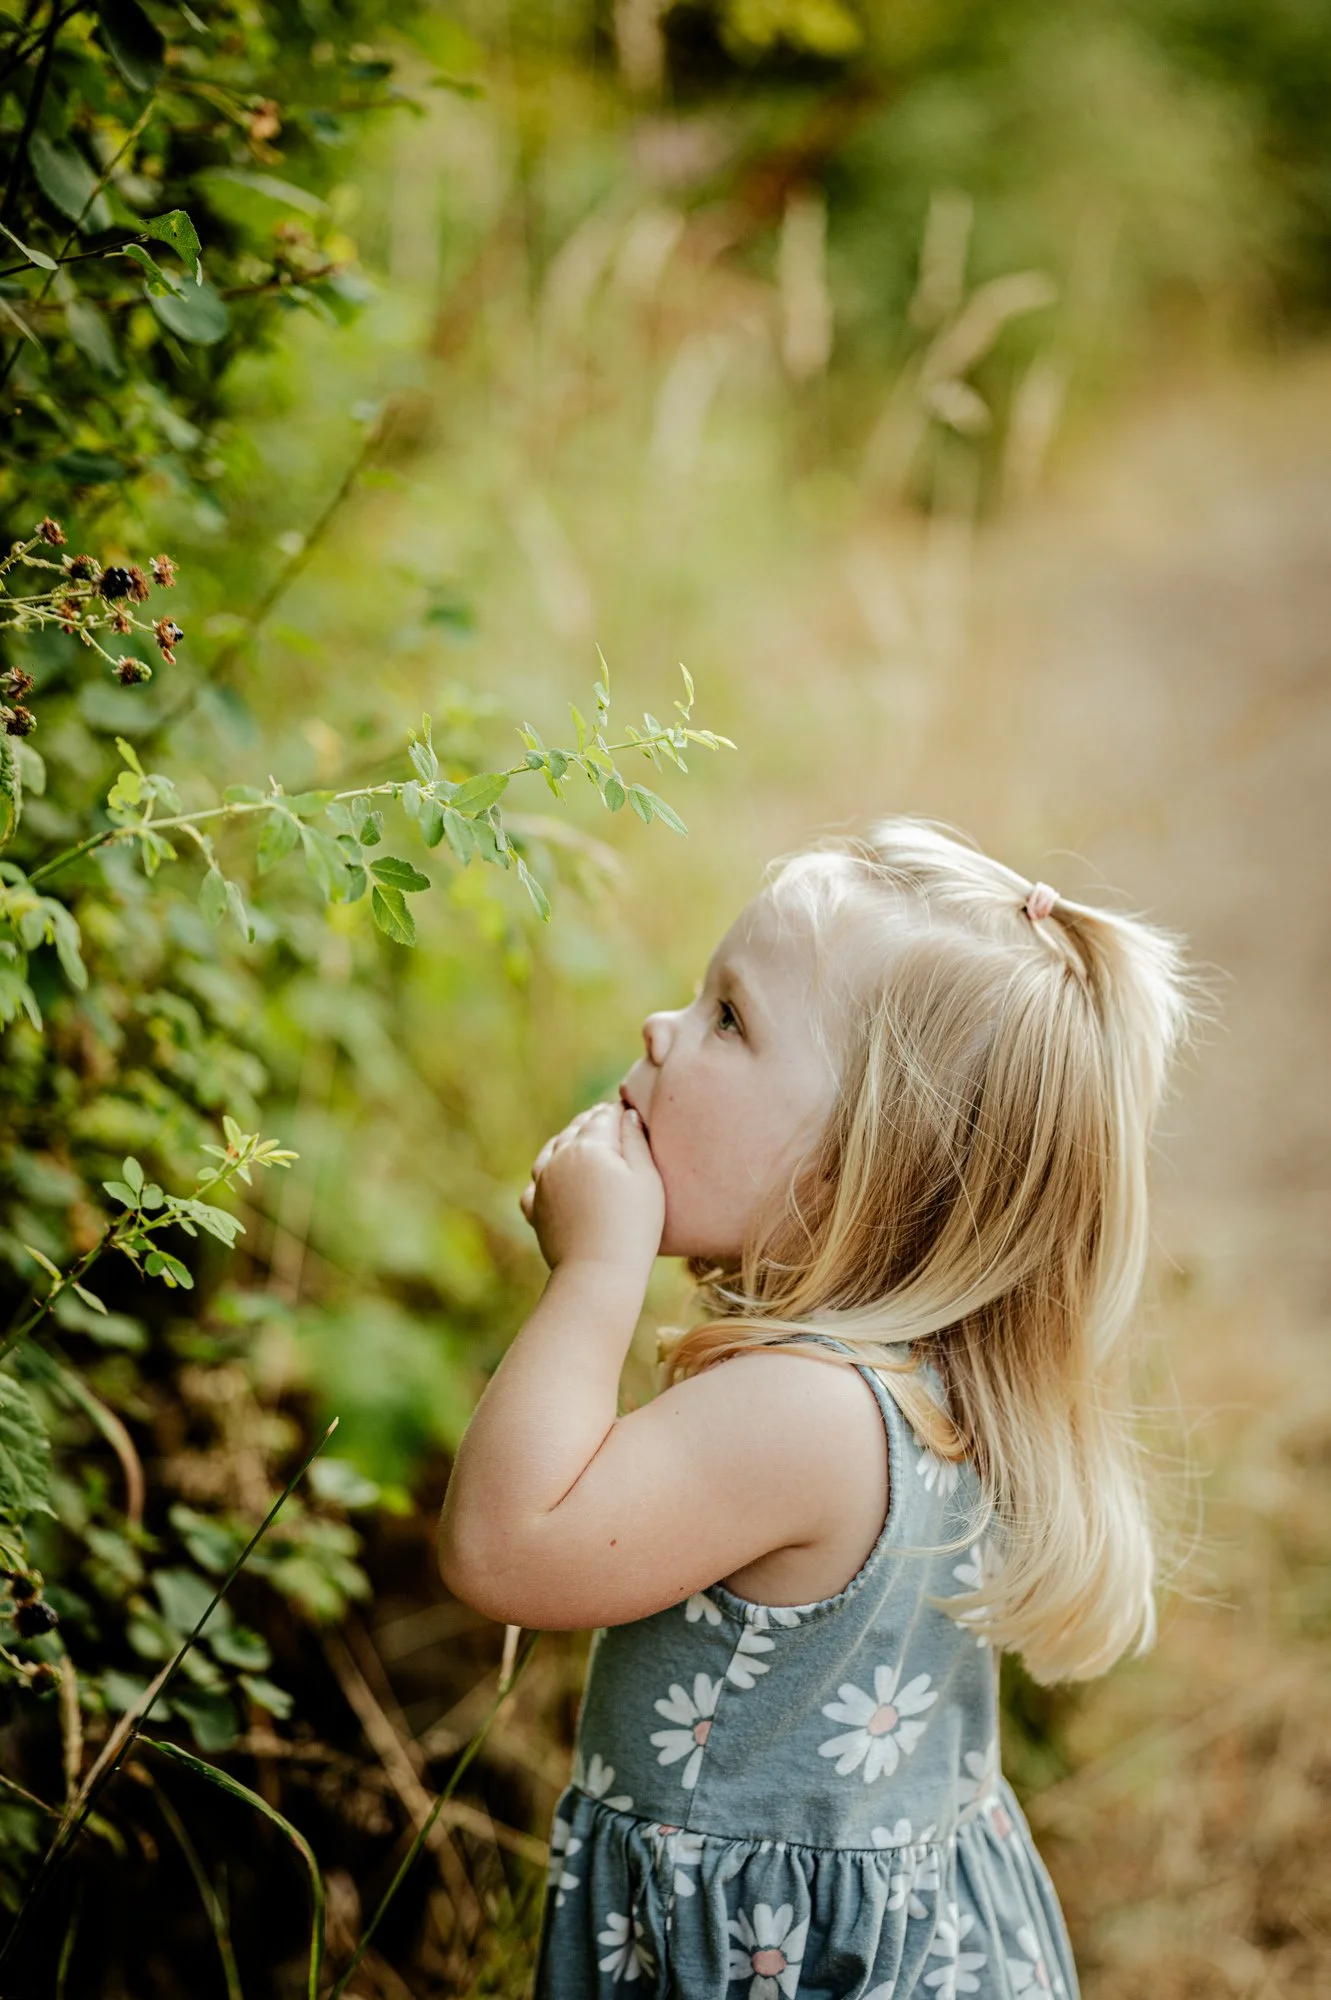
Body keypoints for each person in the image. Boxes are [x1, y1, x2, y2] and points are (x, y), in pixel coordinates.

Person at [437, 816, 1198, 1999]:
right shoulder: (928, 1373)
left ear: (851, 1166)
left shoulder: (807, 1410)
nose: (660, 1026)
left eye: (728, 1018)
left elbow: (504, 1548)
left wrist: (594, 1270)